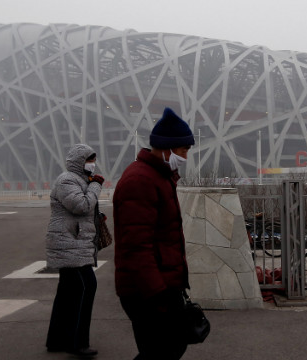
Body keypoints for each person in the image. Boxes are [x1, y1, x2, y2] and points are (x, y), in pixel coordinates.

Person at [113, 107, 195, 360]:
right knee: (161, 351)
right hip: (146, 291)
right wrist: (158, 293)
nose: (185, 157)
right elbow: (136, 245)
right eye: (183, 151)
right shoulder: (140, 180)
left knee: (168, 347)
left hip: (161, 284)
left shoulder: (159, 177)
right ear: (167, 149)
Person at [45, 143, 104, 357]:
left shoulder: (80, 180)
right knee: (84, 287)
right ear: (79, 162)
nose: (92, 164)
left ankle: (57, 340)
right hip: (69, 243)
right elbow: (81, 206)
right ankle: (77, 343)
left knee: (68, 292)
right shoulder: (67, 180)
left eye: (93, 159)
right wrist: (96, 186)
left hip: (74, 242)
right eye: (89, 159)